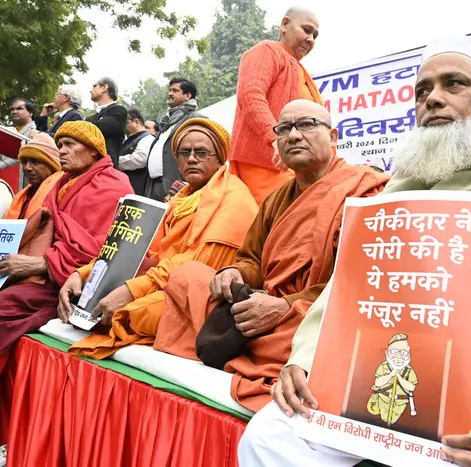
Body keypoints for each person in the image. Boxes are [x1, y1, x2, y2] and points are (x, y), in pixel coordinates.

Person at [239, 36, 471, 467]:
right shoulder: (400, 188)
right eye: (423, 91)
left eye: (454, 85)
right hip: (375, 385)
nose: (434, 99)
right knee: (267, 437)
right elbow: (349, 291)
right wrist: (305, 357)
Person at [149, 100, 389, 412]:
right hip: (262, 308)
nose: (293, 135)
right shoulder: (277, 199)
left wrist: (283, 307)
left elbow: (359, 284)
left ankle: (252, 348)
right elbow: (252, 259)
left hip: (312, 315)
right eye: (284, 129)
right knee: (188, 275)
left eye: (306, 125)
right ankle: (248, 342)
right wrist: (235, 274)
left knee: (321, 337)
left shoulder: (365, 192)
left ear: (332, 136)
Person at [65, 118, 257, 359]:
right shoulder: (179, 200)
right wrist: (84, 274)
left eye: (202, 152)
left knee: (125, 314)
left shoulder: (234, 197)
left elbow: (197, 262)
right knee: (87, 300)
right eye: (184, 152)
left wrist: (132, 291)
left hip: (195, 295)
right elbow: (139, 250)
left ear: (219, 158)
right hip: (161, 282)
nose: (192, 159)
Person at [0, 121, 133, 375]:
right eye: (60, 145)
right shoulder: (61, 184)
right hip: (46, 276)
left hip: (78, 286)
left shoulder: (115, 185)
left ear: (94, 150)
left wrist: (42, 264)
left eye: (70, 145)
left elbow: (101, 251)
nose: (62, 150)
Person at [228, 7, 322, 205]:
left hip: (297, 169)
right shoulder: (268, 50)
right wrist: (275, 139)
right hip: (266, 165)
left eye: (315, 35)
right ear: (285, 24)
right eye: (306, 30)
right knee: (269, 229)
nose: (311, 39)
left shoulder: (300, 70)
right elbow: (251, 95)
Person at [144, 78, 205, 201]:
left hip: (176, 189)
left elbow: (201, 154)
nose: (170, 93)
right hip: (155, 187)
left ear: (188, 96)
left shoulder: (194, 119)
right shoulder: (168, 121)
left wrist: (183, 185)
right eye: (170, 90)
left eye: (175, 91)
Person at [4, 133, 63, 219]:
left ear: (52, 165)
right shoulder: (23, 196)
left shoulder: (62, 192)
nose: (28, 168)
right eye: (24, 162)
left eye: (35, 162)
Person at [86, 77, 128, 169]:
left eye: (94, 86)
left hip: (106, 170)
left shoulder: (118, 111)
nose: (90, 90)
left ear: (104, 87)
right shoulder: (91, 118)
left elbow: (96, 128)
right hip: (88, 169)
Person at [119, 109, 155, 195]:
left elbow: (140, 159)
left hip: (137, 188)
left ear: (136, 121)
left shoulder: (147, 139)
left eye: (126, 124)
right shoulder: (129, 140)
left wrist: (115, 162)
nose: (124, 128)